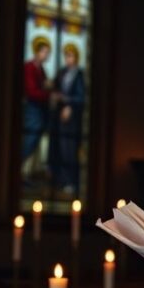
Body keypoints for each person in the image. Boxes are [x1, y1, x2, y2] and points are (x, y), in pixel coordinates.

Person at [49, 43, 85, 195]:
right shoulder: (62, 72)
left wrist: (69, 104)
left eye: (71, 56)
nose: (68, 59)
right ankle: (60, 180)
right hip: (58, 117)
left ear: (76, 57)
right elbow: (55, 88)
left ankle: (71, 182)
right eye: (66, 56)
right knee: (59, 149)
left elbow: (81, 97)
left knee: (69, 150)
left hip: (72, 119)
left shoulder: (79, 74)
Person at [22, 36, 53, 164]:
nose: (47, 55)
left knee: (34, 138)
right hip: (32, 108)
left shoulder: (41, 69)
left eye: (48, 53)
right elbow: (31, 91)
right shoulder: (29, 67)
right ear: (37, 51)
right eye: (45, 52)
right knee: (31, 138)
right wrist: (49, 95)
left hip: (39, 109)